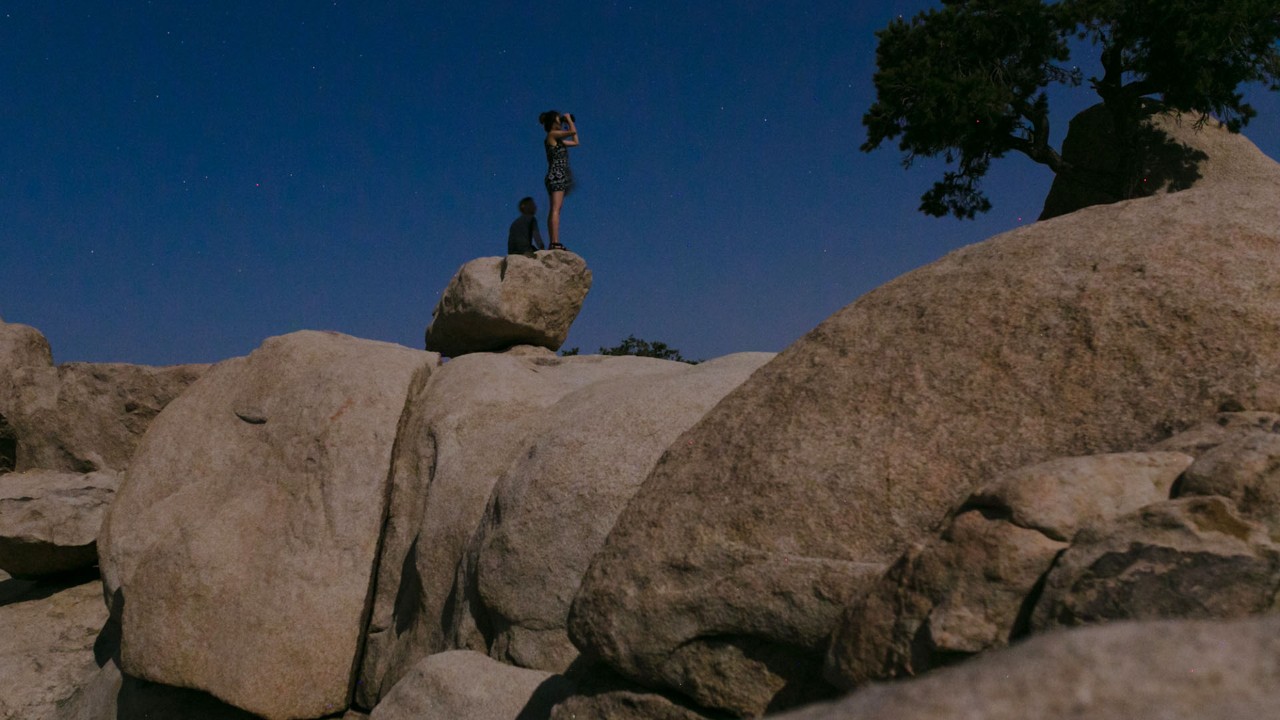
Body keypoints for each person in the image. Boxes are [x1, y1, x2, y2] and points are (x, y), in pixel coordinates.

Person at [539, 110, 579, 250]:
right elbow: (573, 133)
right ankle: (554, 242)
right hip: (556, 174)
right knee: (555, 208)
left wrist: (569, 123)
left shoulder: (558, 139)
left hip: (559, 175)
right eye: (559, 119)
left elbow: (576, 142)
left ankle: (555, 241)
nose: (560, 122)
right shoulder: (551, 134)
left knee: (557, 208)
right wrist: (569, 120)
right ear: (553, 122)